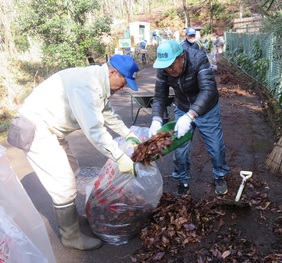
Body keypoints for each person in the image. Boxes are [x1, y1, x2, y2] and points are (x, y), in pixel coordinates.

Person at [8, 54, 140, 251]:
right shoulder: (86, 86)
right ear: (113, 73)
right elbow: (94, 130)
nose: (123, 88)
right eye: (123, 82)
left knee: (72, 168)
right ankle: (70, 236)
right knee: (63, 182)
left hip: (50, 130)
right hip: (35, 128)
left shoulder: (98, 82)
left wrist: (128, 134)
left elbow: (106, 113)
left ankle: (71, 215)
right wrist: (120, 157)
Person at [149, 40, 230, 196]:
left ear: (181, 57)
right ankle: (182, 180)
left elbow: (208, 90)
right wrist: (156, 119)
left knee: (215, 146)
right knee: (180, 149)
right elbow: (160, 97)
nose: (169, 69)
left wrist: (190, 115)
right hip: (182, 107)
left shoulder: (198, 59)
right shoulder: (164, 68)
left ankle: (220, 175)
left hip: (207, 108)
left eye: (172, 65)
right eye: (165, 66)